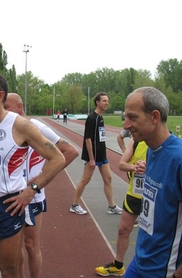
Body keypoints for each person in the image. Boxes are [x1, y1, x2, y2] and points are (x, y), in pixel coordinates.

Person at [0, 72, 65, 278]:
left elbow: (58, 158)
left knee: (9, 271)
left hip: (8, 207)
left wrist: (32, 190)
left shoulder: (20, 125)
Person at [4, 93, 79, 278]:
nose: (3, 111)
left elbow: (70, 151)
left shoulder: (35, 127)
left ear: (19, 106)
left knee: (31, 245)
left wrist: (43, 178)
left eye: (7, 107)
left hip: (32, 198)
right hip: (9, 195)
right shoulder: (4, 129)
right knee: (15, 247)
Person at [122, 87, 182, 278]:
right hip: (140, 262)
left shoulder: (178, 159)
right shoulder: (150, 149)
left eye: (132, 117)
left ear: (155, 117)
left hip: (164, 271)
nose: (125, 125)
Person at [95, 138, 147, 276]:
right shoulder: (136, 141)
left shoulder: (163, 144)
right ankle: (118, 265)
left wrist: (150, 168)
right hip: (135, 193)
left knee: (154, 234)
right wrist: (135, 167)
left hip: (155, 196)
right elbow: (122, 164)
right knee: (123, 230)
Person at [70, 92, 122, 215]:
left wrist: (103, 154)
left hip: (102, 156)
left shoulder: (101, 118)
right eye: (104, 101)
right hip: (93, 157)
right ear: (97, 102)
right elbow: (88, 139)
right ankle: (74, 204)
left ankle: (112, 206)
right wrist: (92, 159)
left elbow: (100, 139)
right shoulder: (92, 118)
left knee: (108, 179)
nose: (107, 103)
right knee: (85, 180)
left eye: (107, 101)